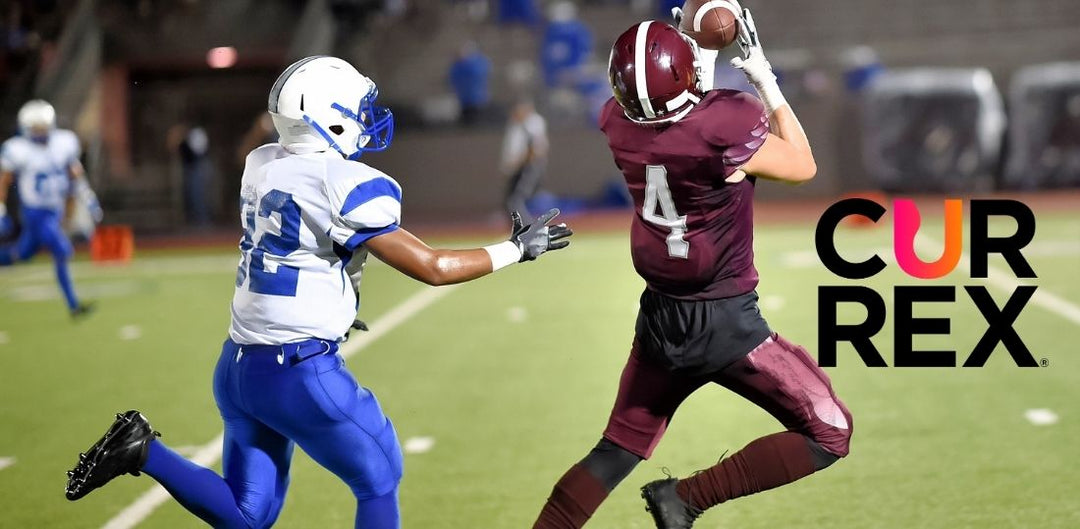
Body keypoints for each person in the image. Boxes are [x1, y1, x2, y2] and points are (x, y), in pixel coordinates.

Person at [64, 56, 573, 529]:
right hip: (299, 372)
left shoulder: (262, 163)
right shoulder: (344, 182)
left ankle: (141, 449)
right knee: (379, 478)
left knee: (248, 514)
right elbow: (433, 267)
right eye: (356, 110)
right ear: (328, 119)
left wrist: (340, 301)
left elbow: (307, 248)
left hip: (239, 367)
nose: (366, 118)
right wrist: (516, 250)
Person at [531, 10, 852, 529]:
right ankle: (685, 498)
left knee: (616, 449)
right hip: (725, 322)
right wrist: (763, 77)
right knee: (831, 431)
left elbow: (667, 108)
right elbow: (802, 164)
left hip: (660, 318)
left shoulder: (615, 122)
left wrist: (693, 51)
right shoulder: (726, 122)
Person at [0, 99, 95, 318]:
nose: (41, 133)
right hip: (35, 212)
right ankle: (74, 305)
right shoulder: (18, 149)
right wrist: (1, 210)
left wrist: (87, 197)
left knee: (21, 255)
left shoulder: (63, 143)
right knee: (62, 250)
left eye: (43, 128)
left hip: (55, 210)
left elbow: (75, 175)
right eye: (36, 129)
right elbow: (4, 181)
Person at [501, 100, 548, 217]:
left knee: (516, 200)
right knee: (513, 199)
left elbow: (534, 148)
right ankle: (522, 226)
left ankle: (527, 226)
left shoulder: (532, 124)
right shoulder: (517, 126)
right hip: (523, 167)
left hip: (527, 167)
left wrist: (519, 163)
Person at [448, 41, 492, 125]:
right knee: (467, 119)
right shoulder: (458, 66)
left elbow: (479, 75)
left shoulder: (477, 63)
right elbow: (453, 79)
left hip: (476, 99)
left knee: (476, 118)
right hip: (464, 99)